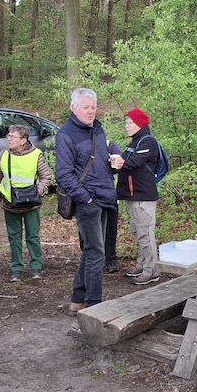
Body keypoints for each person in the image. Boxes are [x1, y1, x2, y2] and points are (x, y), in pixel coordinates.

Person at [55, 88, 119, 316]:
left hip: (104, 197)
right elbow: (63, 175)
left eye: (93, 107)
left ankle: (78, 300)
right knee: (96, 253)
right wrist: (87, 198)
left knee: (92, 251)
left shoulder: (97, 129)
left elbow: (102, 156)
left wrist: (114, 161)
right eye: (86, 107)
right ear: (74, 108)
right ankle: (94, 306)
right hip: (88, 201)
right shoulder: (66, 134)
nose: (91, 111)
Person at [0, 124, 53, 282]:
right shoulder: (3, 155)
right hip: (10, 204)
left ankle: (36, 267)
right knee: (14, 238)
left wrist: (36, 193)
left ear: (23, 140)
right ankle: (16, 269)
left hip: (31, 204)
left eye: (13, 136)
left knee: (33, 236)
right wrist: (1, 193)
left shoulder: (36, 155)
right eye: (9, 135)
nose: (9, 139)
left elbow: (46, 176)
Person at [116, 108, 161, 286]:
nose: (127, 126)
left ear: (140, 124)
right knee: (137, 232)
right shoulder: (134, 142)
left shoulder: (148, 141)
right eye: (126, 122)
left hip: (144, 197)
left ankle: (152, 271)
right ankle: (142, 265)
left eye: (130, 122)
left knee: (146, 235)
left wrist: (117, 162)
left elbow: (133, 163)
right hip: (132, 196)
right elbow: (122, 162)